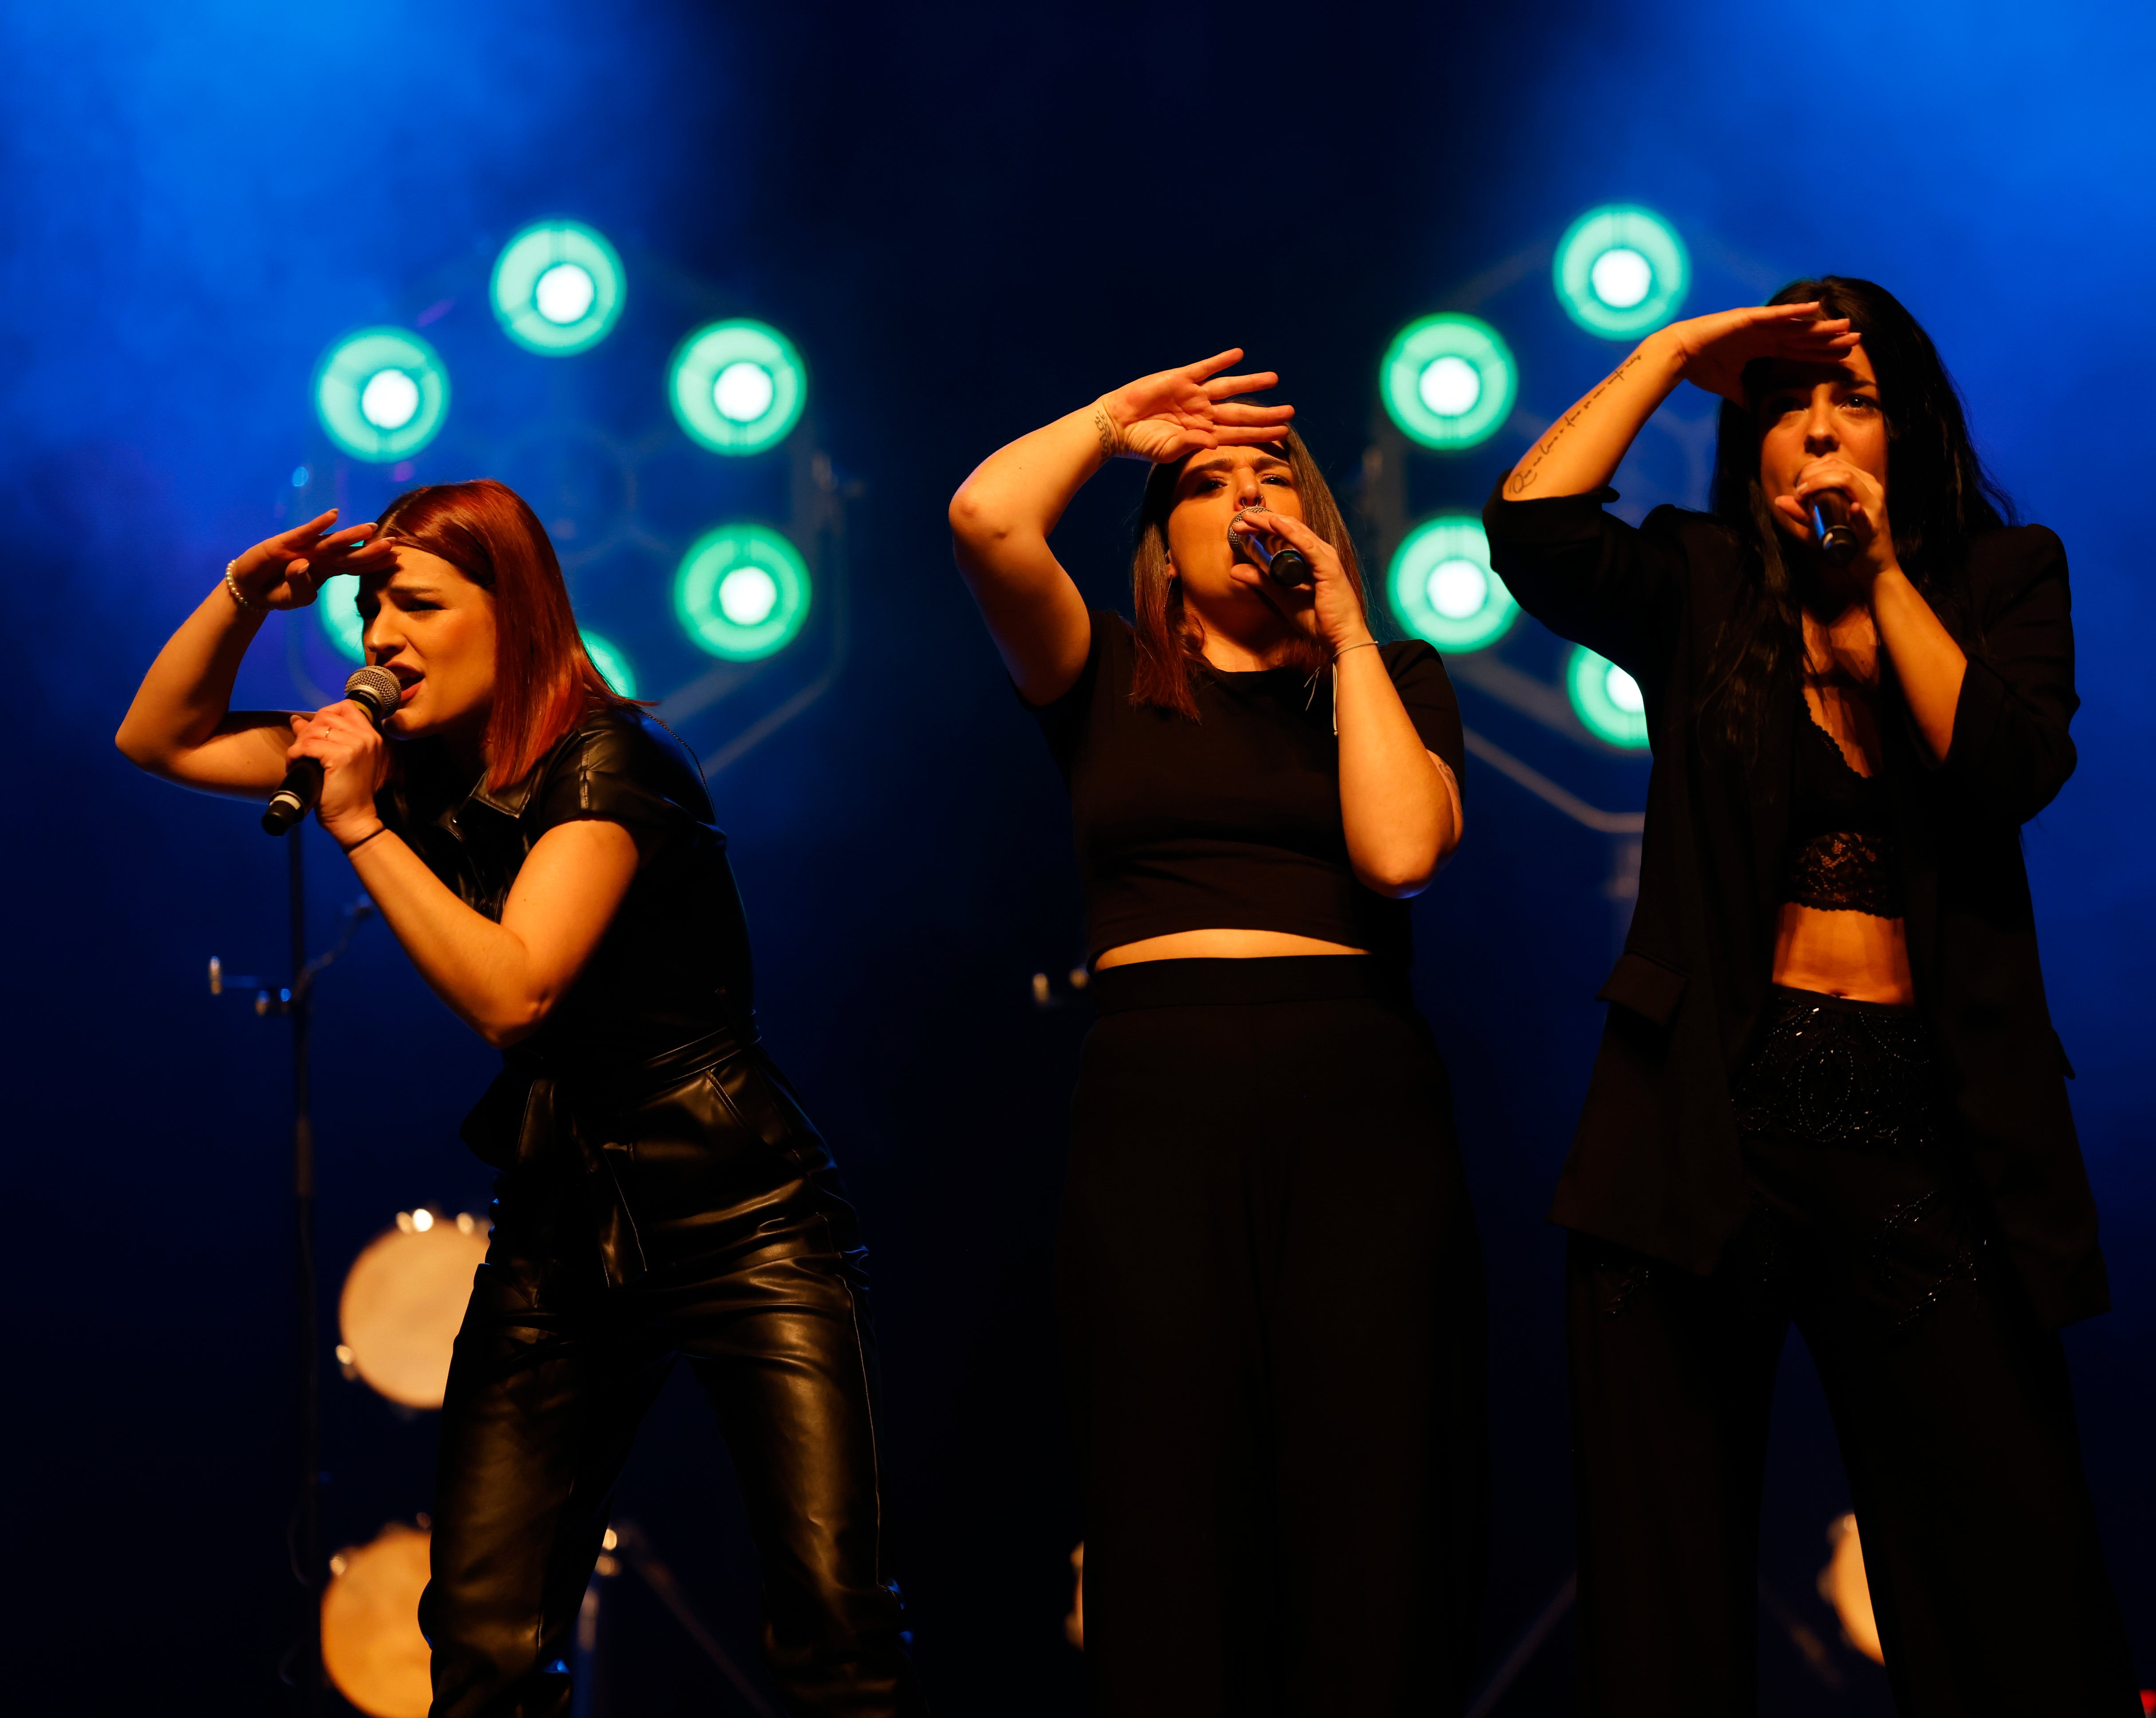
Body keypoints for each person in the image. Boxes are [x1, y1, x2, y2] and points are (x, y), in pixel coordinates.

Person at [115, 480, 921, 1718]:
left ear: (516, 614)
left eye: (419, 604)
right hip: (561, 1226)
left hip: (744, 1218)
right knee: (484, 1633)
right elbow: (159, 738)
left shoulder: (616, 764)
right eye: (370, 605)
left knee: (832, 1620)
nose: (379, 635)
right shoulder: (404, 767)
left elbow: (518, 995)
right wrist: (236, 598)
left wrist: (360, 833)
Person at [1484, 279, 2135, 1715]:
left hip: (1925, 1132)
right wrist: (1672, 353)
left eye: (1854, 405)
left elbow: (2010, 773)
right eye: (1789, 410)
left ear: (1913, 430)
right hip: (1700, 1123)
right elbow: (1528, 531)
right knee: (1665, 1589)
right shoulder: (1700, 581)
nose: (1821, 437)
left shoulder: (2004, 579)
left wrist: (1884, 577)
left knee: (2008, 1580)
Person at [948, 351, 1486, 1716]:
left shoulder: (1391, 677)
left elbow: (1404, 852)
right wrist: (1115, 426)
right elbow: (985, 520)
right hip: (1159, 1105)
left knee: (1367, 1482)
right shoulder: (1105, 674)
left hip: (1356, 1098)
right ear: (1165, 549)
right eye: (1212, 484)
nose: (1252, 499)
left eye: (1275, 481)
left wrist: (1352, 634)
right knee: (1165, 1483)